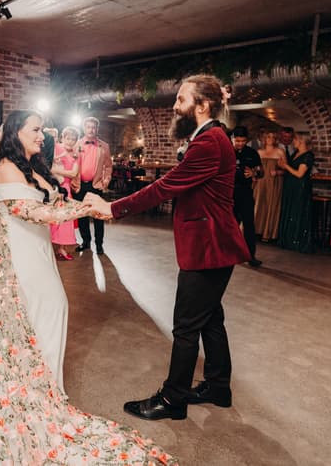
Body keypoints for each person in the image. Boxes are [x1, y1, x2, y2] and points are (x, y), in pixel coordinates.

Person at [0, 111, 176, 465]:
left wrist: (83, 204)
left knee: (54, 313)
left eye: (43, 129)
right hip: (21, 262)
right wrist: (88, 209)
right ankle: (32, 395)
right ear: (15, 132)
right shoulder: (4, 167)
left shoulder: (32, 167)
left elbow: (53, 203)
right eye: (35, 129)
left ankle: (48, 390)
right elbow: (31, 213)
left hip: (41, 255)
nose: (42, 135)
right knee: (44, 314)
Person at [88, 75, 250, 422]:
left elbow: (165, 186)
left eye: (181, 99)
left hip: (208, 248)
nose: (175, 106)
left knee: (186, 327)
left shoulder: (209, 141)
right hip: (215, 245)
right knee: (211, 320)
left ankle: (173, 399)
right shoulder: (211, 137)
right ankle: (218, 387)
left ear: (202, 105)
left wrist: (113, 208)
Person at [72, 116, 112, 255]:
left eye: (94, 127)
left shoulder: (104, 146)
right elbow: (70, 163)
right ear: (84, 128)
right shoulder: (76, 144)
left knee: (98, 216)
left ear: (97, 129)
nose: (91, 130)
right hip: (79, 185)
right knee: (82, 216)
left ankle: (99, 244)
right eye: (88, 127)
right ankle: (86, 242)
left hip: (96, 186)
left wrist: (105, 181)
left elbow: (108, 167)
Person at [230, 126, 263, 266]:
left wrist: (254, 174)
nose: (240, 144)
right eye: (237, 141)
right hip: (229, 193)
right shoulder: (226, 151)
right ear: (232, 139)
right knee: (231, 225)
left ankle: (250, 256)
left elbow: (262, 172)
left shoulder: (252, 153)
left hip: (245, 192)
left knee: (249, 225)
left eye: (243, 141)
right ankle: (229, 255)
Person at [277, 133, 315, 253]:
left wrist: (285, 166)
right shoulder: (295, 153)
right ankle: (287, 239)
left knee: (296, 212)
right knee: (289, 210)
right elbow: (290, 169)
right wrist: (282, 166)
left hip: (300, 187)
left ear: (301, 141)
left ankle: (296, 240)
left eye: (295, 139)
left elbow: (299, 174)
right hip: (291, 186)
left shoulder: (308, 155)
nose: (293, 141)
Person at [50, 126, 80, 260]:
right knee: (50, 217)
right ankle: (48, 248)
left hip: (66, 188)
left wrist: (56, 170)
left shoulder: (76, 154)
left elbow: (74, 173)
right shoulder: (55, 147)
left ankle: (62, 248)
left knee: (65, 219)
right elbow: (47, 166)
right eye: (68, 138)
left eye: (73, 139)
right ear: (63, 137)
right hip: (53, 187)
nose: (70, 141)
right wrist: (54, 170)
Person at [253, 131, 286, 242]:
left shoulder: (280, 152)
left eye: (273, 136)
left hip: (274, 182)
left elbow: (286, 170)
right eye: (268, 136)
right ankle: (254, 231)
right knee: (258, 205)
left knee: (271, 205)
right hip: (261, 182)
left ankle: (267, 233)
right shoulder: (259, 152)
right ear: (264, 138)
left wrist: (277, 172)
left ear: (276, 139)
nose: (270, 138)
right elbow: (254, 168)